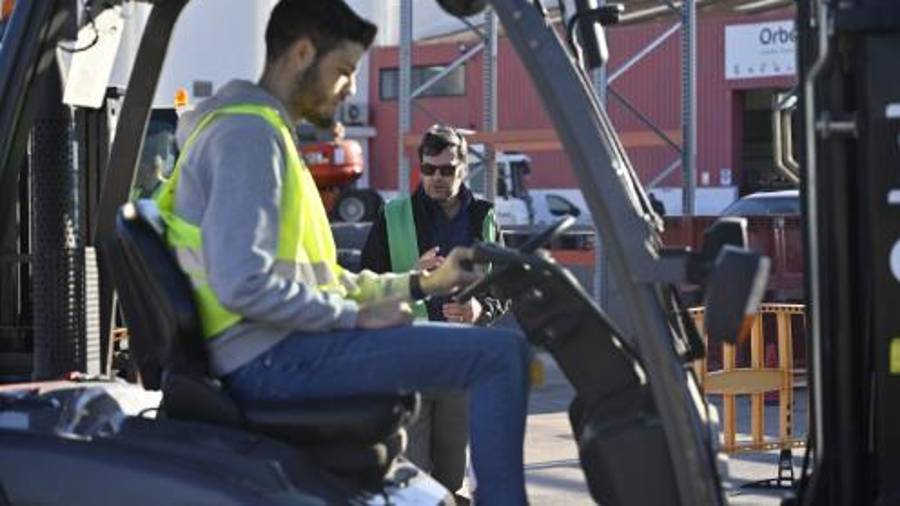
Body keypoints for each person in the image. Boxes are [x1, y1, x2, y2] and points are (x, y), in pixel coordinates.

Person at [152, 2, 530, 504]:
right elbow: (243, 283)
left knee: (486, 354)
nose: (351, 87)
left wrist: (421, 285)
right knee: (499, 356)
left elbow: (324, 277)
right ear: (303, 53)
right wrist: (353, 319)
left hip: (275, 346)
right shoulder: (249, 136)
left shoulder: (265, 134)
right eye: (344, 70)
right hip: (268, 358)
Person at [360, 124, 508, 501]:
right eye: (429, 169)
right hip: (411, 362)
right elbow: (364, 286)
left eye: (446, 170)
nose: (437, 178)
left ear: (463, 169)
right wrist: (411, 275)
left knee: (451, 474)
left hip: (460, 364)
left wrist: (481, 309)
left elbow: (505, 288)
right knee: (412, 474)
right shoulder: (392, 216)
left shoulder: (483, 218)